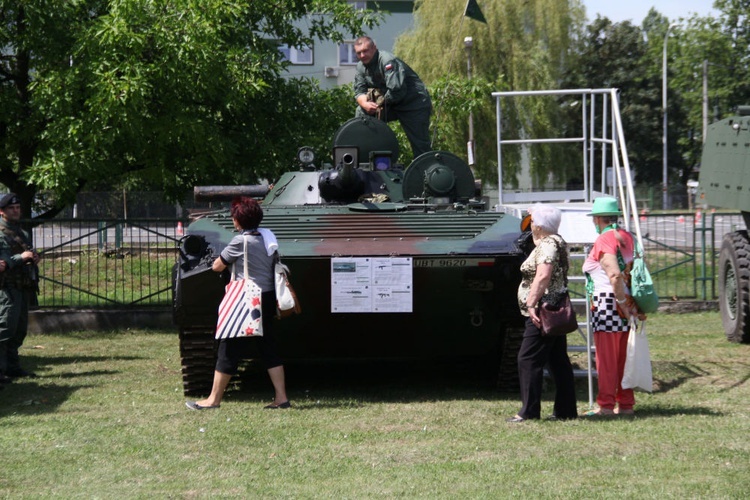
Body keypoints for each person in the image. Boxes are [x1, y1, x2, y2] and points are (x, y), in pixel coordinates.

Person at [186, 197, 290, 410]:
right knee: (268, 347)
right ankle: (281, 398)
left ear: (238, 220)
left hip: (247, 300)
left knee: (228, 347)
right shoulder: (268, 238)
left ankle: (213, 400)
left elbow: (217, 266)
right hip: (268, 297)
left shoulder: (239, 241)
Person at [508, 204, 578, 422]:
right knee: (558, 360)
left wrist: (531, 302)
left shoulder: (547, 245)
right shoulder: (558, 241)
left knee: (527, 359)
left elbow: (543, 275)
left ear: (538, 225)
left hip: (543, 309)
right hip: (556, 305)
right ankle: (566, 410)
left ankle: (529, 412)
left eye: (533, 221)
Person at [582, 197, 644, 416]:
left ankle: (606, 405)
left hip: (608, 304)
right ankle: (626, 404)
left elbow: (614, 274)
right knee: (624, 358)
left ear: (598, 219)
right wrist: (627, 304)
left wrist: (619, 303)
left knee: (606, 360)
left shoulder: (604, 239)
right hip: (629, 302)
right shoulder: (628, 237)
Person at [353, 35, 433, 158]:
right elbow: (359, 91)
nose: (362, 55)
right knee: (361, 111)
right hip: (390, 103)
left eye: (365, 51)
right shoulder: (360, 67)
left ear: (374, 48)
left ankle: (426, 172)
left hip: (413, 104)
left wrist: (378, 105)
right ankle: (366, 153)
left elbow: (396, 91)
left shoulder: (387, 61)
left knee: (420, 146)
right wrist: (365, 104)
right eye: (359, 53)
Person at [0, 193, 40, 386]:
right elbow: (4, 262)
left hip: (23, 286)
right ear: (2, 211)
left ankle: (12, 367)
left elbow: (26, 254)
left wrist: (33, 257)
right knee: (5, 328)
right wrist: (21, 258)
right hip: (7, 288)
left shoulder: (20, 232)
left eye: (17, 208)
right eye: (11, 208)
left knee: (18, 330)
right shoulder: (0, 232)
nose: (15, 211)